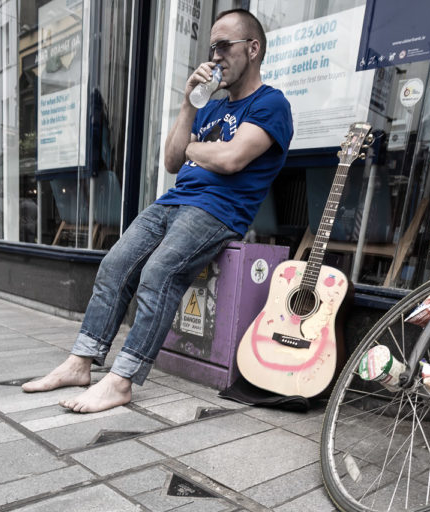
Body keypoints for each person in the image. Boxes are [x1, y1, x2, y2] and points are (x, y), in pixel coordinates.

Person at [22, 9, 294, 413]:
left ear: (252, 49)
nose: (215, 55)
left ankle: (121, 380)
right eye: (211, 47)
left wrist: (198, 152)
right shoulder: (211, 107)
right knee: (114, 264)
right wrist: (188, 103)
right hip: (172, 202)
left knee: (159, 272)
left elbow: (233, 159)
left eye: (224, 46)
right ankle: (81, 361)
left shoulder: (271, 103)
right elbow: (170, 160)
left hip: (218, 210)